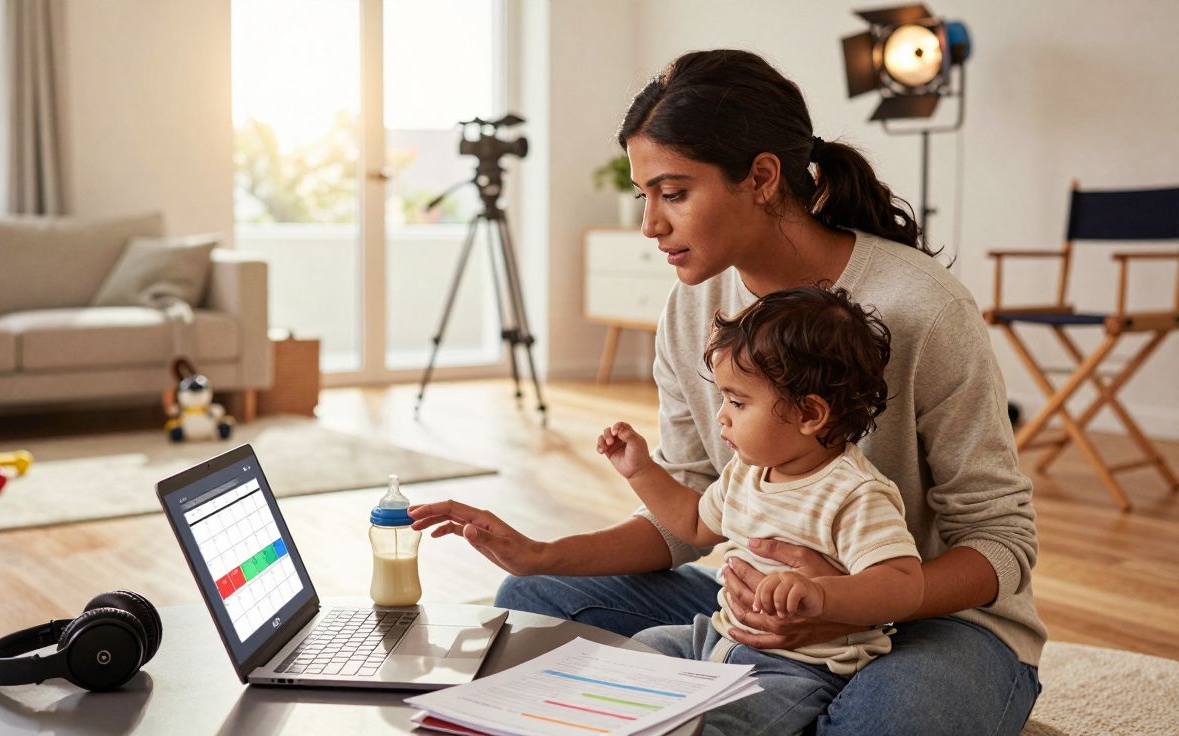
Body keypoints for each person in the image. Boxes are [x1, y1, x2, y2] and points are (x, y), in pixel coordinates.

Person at [408, 48, 1043, 734]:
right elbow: (689, 515)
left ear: (763, 177)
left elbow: (1000, 540)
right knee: (533, 596)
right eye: (643, 196)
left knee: (884, 723)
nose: (650, 224)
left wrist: (836, 600)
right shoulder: (692, 311)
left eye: (674, 193)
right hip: (757, 604)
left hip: (937, 620)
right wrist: (541, 552)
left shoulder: (922, 307)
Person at [599, 285, 924, 733]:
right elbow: (694, 524)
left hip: (798, 670)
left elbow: (904, 585)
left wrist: (822, 596)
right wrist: (640, 472)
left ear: (810, 414)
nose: (721, 417)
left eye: (737, 401)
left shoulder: (855, 493)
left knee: (719, 726)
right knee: (637, 653)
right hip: (717, 636)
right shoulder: (748, 471)